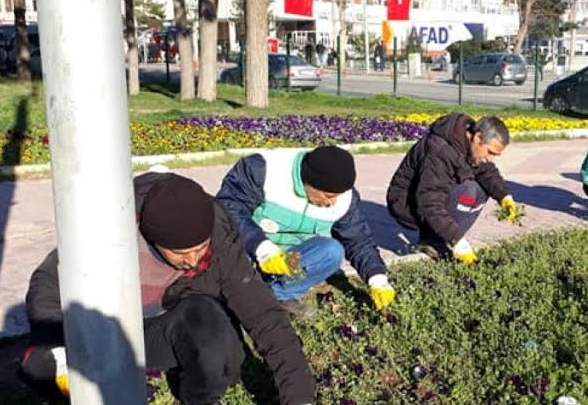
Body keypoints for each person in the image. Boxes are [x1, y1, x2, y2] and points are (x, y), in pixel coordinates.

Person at [18, 171, 326, 405]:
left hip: (165, 325)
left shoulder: (218, 235)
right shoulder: (110, 226)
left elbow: (264, 315)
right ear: (152, 239)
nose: (193, 261)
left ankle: (198, 398)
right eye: (180, 254)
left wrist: (299, 404)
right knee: (41, 366)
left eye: (200, 249)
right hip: (109, 326)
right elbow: (48, 280)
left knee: (219, 348)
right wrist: (57, 345)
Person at [215, 146, 394, 320]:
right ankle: (237, 294)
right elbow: (229, 210)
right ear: (309, 181)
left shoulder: (344, 198)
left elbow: (358, 240)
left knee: (332, 251)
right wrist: (262, 248)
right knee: (228, 251)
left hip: (291, 258)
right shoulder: (262, 169)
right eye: (328, 196)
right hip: (251, 248)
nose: (333, 203)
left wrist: (377, 279)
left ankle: (277, 295)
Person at [386, 114, 521, 263]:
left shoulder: (470, 146)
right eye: (490, 152)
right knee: (469, 191)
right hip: (407, 203)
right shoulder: (439, 149)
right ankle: (434, 240)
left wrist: (505, 197)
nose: (490, 158)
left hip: (430, 197)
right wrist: (458, 241)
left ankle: (441, 237)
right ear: (477, 137)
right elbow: (429, 201)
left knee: (481, 188)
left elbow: (487, 172)